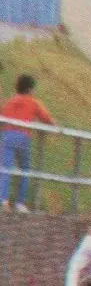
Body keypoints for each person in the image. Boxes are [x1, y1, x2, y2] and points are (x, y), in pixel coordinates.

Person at [0, 75, 55, 212]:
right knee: (24, 169)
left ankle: (3, 201)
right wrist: (54, 126)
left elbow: (3, 116)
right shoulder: (33, 102)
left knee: (5, 169)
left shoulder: (11, 101)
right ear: (30, 88)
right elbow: (46, 118)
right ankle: (20, 203)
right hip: (23, 137)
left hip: (7, 136)